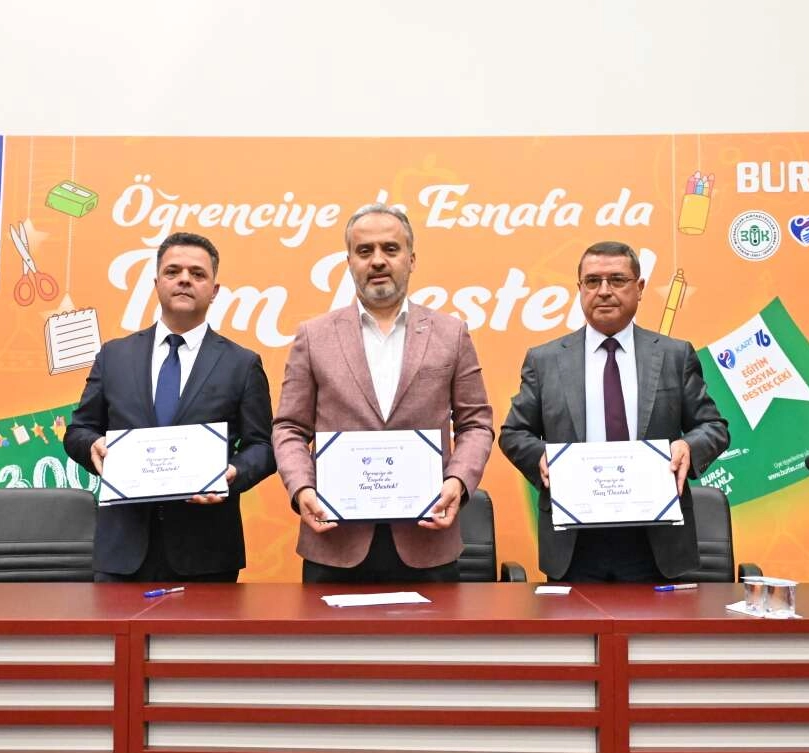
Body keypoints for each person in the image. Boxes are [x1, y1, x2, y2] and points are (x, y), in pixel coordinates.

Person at [272, 203, 494, 583]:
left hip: (428, 541)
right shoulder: (313, 335)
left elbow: (476, 423)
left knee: (434, 628)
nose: (377, 260)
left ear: (411, 259)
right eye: (364, 251)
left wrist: (457, 482)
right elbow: (289, 427)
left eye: (390, 249)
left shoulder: (451, 333)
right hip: (334, 542)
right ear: (349, 263)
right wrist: (302, 487)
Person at [499, 240, 729, 582]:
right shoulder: (545, 360)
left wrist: (688, 447)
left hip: (655, 541)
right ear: (579, 289)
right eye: (592, 281)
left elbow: (713, 426)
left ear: (640, 288)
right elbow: (514, 433)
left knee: (657, 621)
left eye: (617, 280)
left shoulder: (674, 355)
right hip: (574, 541)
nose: (604, 291)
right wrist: (541, 457)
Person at [65, 232, 275, 582]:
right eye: (173, 271)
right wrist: (93, 445)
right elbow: (78, 431)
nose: (184, 279)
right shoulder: (114, 355)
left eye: (197, 273)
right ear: (156, 283)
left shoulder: (242, 364)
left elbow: (263, 446)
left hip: (207, 553)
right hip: (121, 551)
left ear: (215, 290)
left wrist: (233, 474)